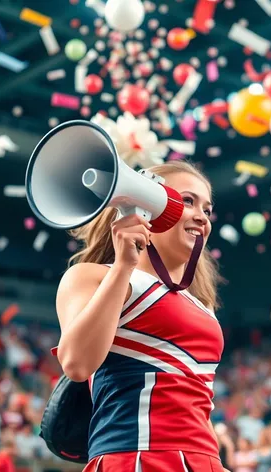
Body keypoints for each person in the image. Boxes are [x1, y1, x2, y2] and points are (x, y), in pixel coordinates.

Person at [55, 161, 229, 471]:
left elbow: (196, 405)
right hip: (136, 459)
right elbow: (76, 363)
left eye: (207, 208)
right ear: (149, 207)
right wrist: (124, 265)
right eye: (187, 201)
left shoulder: (203, 306)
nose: (201, 215)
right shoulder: (93, 276)